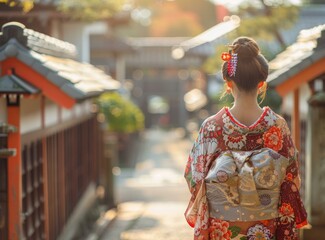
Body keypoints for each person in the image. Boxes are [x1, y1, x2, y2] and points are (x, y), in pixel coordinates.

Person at [184, 37, 308, 240]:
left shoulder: (212, 126)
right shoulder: (277, 126)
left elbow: (194, 176)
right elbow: (291, 179)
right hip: (266, 227)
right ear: (261, 83)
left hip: (222, 228)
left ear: (228, 82)